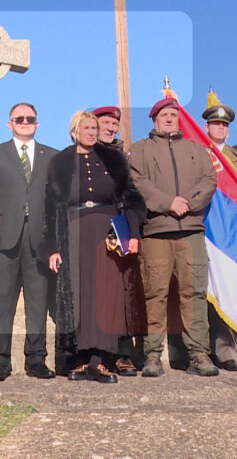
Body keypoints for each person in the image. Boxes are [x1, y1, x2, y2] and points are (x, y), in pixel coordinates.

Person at [44, 111, 142, 384]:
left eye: (94, 128)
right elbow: (49, 207)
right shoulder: (60, 162)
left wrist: (132, 234)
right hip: (73, 232)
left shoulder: (114, 159)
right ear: (74, 130)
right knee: (78, 294)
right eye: (86, 128)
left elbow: (131, 198)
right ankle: (78, 358)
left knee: (105, 294)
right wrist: (52, 247)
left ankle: (101, 360)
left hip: (106, 231)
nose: (91, 132)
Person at [128, 97, 219, 378]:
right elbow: (137, 182)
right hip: (156, 231)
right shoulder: (140, 150)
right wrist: (168, 202)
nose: (169, 119)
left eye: (173, 115)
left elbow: (209, 180)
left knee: (193, 293)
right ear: (154, 119)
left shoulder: (196, 149)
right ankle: (153, 354)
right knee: (155, 293)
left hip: (190, 230)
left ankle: (198, 354)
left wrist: (187, 203)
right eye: (164, 115)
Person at [0, 102, 59, 381]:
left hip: (39, 241)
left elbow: (56, 203)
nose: (25, 122)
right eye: (19, 118)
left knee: (37, 303)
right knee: (1, 305)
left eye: (30, 118)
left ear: (37, 123)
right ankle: (0, 362)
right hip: (4, 239)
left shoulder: (51, 156)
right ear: (10, 123)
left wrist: (54, 242)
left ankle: (36, 360)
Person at [91, 105, 146, 376]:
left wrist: (134, 235)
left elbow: (134, 199)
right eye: (105, 122)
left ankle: (124, 353)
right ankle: (97, 355)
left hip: (119, 232)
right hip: (89, 233)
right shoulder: (81, 154)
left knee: (124, 295)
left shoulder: (123, 159)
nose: (111, 127)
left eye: (115, 124)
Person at [201, 103, 237, 371]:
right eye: (215, 124)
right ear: (206, 127)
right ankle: (198, 350)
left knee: (226, 291)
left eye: (224, 125)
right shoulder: (196, 151)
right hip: (202, 228)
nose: (220, 128)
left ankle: (226, 351)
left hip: (229, 236)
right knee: (200, 292)